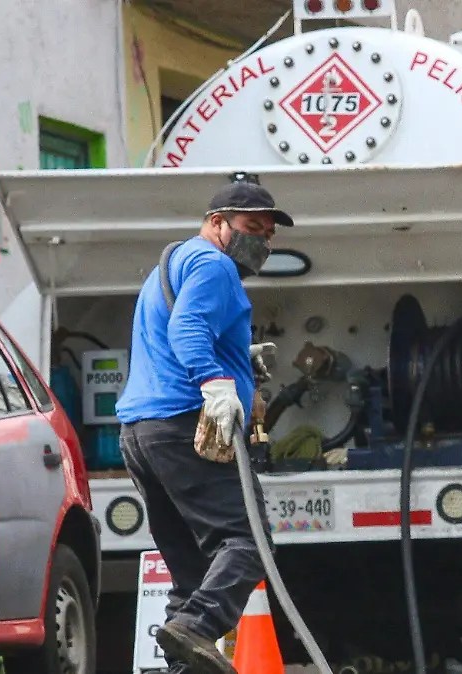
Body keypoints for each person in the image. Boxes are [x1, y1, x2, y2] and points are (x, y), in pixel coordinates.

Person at [115, 179, 294, 674]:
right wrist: (217, 382)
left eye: (268, 233)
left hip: (141, 433)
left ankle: (184, 653)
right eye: (250, 227)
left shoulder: (172, 264)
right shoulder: (214, 265)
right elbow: (187, 328)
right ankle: (197, 626)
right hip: (179, 425)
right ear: (218, 223)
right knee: (248, 541)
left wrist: (239, 363)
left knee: (191, 572)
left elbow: (173, 332)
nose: (261, 240)